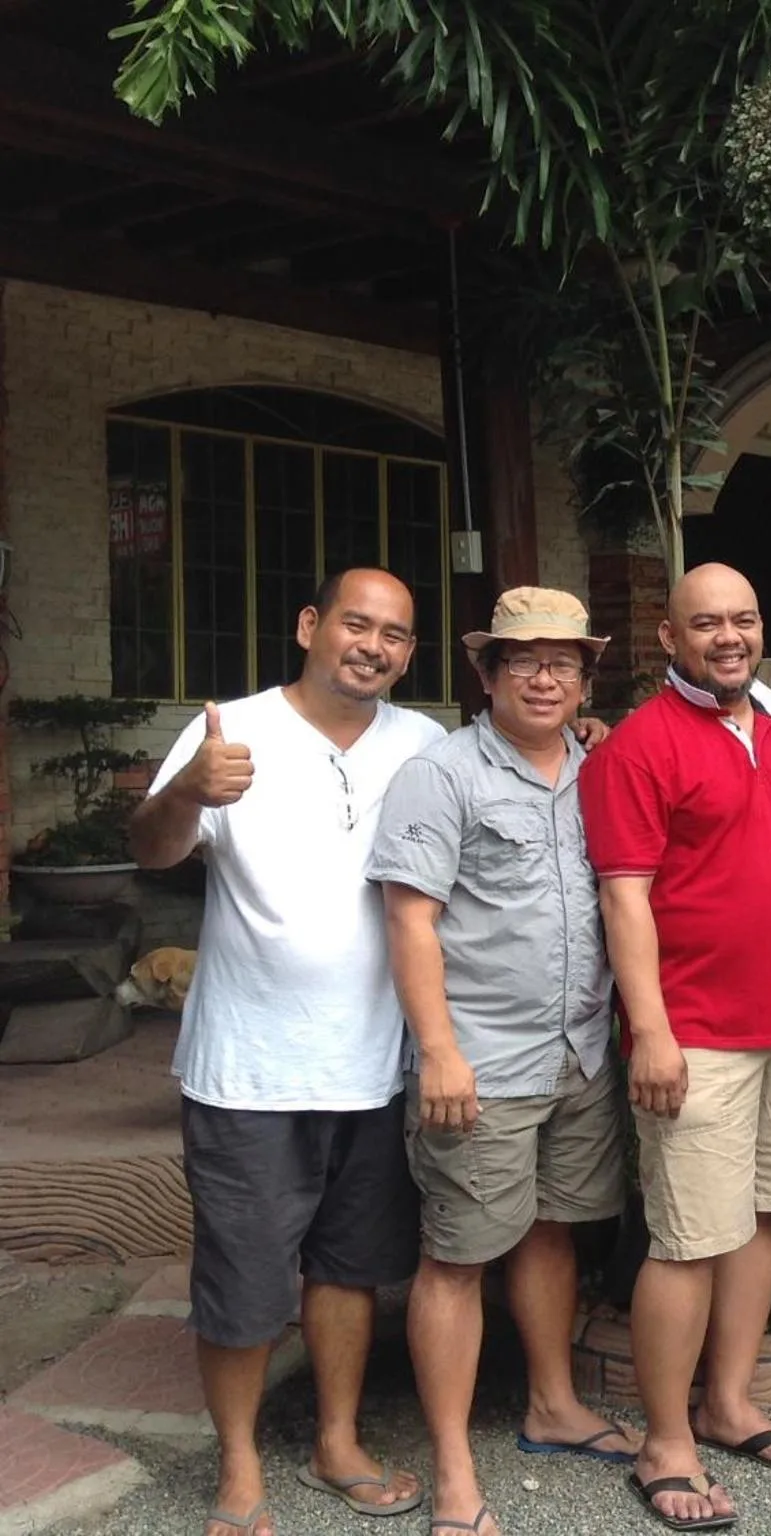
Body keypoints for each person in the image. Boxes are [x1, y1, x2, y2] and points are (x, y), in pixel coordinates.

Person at [129, 568, 442, 1536]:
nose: (373, 645)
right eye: (356, 623)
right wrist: (187, 788)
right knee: (243, 1274)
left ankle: (336, 1439)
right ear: (311, 625)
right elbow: (150, 848)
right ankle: (237, 1465)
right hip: (246, 1071)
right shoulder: (232, 728)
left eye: (394, 634)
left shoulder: (424, 744)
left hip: (372, 1066)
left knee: (349, 1268)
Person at [579, 562, 771, 1532]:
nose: (727, 636)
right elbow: (623, 896)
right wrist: (654, 1034)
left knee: (761, 1220)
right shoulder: (638, 747)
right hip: (696, 1036)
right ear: (667, 638)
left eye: (742, 620)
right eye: (705, 623)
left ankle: (727, 1401)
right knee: (685, 1241)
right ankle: (665, 1442)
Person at [367, 588, 635, 1536]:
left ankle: (552, 1405)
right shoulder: (442, 776)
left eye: (564, 659)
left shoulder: (597, 766)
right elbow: (410, 918)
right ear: (486, 674)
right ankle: (451, 1469)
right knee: (456, 1258)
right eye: (522, 658)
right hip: (480, 1061)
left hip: (579, 1052)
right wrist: (436, 1050)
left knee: (552, 1231)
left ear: (583, 676)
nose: (545, 674)